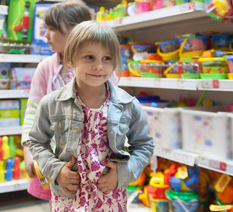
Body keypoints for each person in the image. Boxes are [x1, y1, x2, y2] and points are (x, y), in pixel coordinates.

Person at [28, 21, 154, 212]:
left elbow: (144, 145)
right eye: (89, 57)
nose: (99, 66)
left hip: (110, 198)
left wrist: (123, 173)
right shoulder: (52, 103)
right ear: (71, 60)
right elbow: (36, 142)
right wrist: (56, 170)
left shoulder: (128, 105)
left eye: (106, 58)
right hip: (68, 197)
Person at [22, 1, 95, 202]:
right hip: (52, 157)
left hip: (90, 158)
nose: (46, 34)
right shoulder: (46, 68)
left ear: (75, 31)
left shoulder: (98, 66)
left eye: (52, 29)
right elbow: (33, 112)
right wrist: (28, 151)